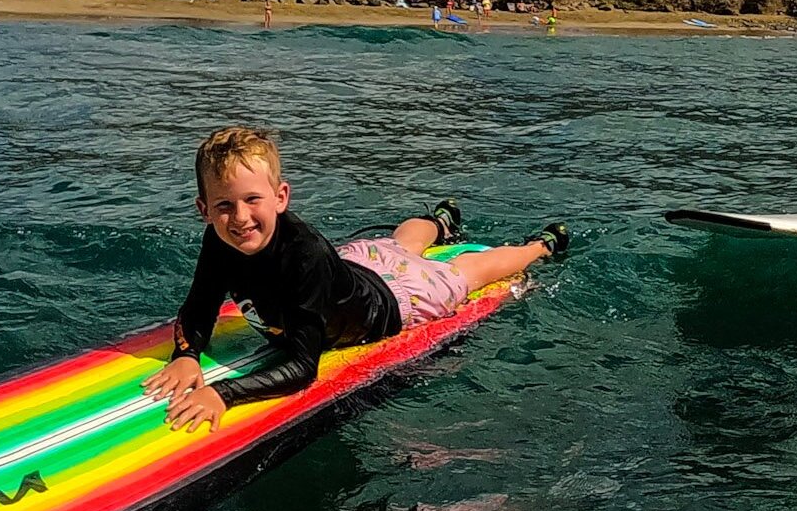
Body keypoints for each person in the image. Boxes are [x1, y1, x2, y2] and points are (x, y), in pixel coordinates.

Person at [145, 127, 568, 434]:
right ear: (204, 209)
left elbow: (301, 366)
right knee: (398, 246)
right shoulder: (219, 240)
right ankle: (440, 222)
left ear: (281, 197)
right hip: (354, 265)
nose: (239, 218)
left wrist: (225, 394)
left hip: (397, 300)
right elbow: (199, 304)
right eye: (224, 205)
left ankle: (539, 246)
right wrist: (187, 353)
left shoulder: (303, 254)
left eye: (253, 200)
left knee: (465, 272)